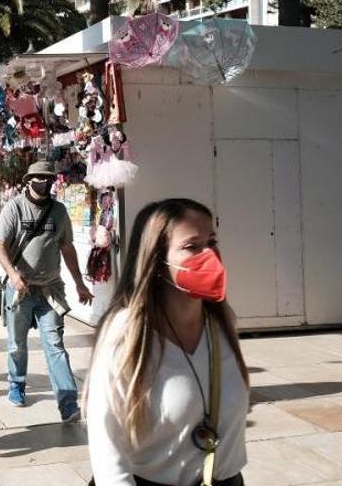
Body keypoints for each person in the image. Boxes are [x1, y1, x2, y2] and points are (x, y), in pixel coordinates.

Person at [85, 199, 249, 486]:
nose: (209, 255)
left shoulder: (221, 324)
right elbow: (106, 444)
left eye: (212, 241)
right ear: (157, 261)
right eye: (192, 246)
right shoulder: (126, 331)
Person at [0, 160, 93, 422]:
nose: (44, 182)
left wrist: (79, 283)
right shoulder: (14, 207)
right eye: (38, 178)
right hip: (20, 290)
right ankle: (16, 383)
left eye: (48, 178)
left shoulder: (58, 211)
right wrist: (13, 275)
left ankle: (68, 403)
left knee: (56, 346)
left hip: (50, 291)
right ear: (28, 180)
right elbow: (0, 245)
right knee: (17, 344)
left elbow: (67, 247)